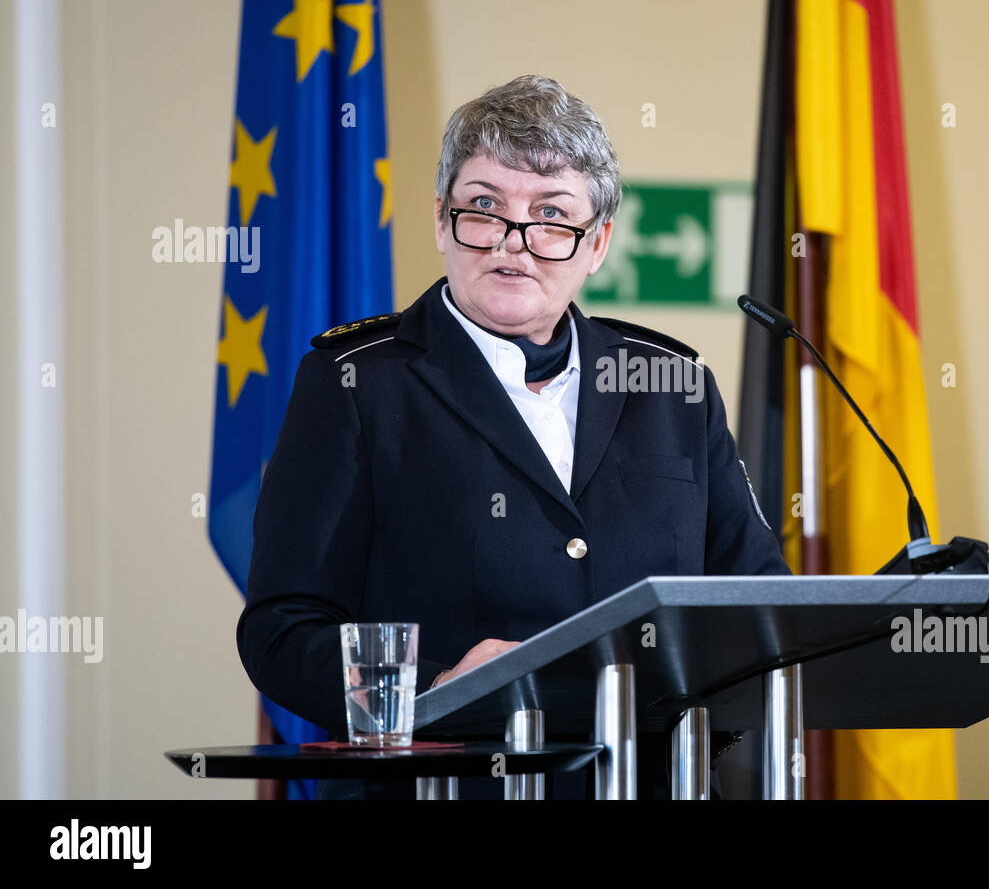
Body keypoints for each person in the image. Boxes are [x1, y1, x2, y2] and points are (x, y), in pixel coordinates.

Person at [236, 74, 791, 799]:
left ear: (597, 244)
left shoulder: (673, 386)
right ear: (441, 220)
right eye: (485, 208)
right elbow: (283, 629)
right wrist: (434, 688)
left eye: (552, 216)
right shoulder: (356, 385)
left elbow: (756, 603)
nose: (512, 243)